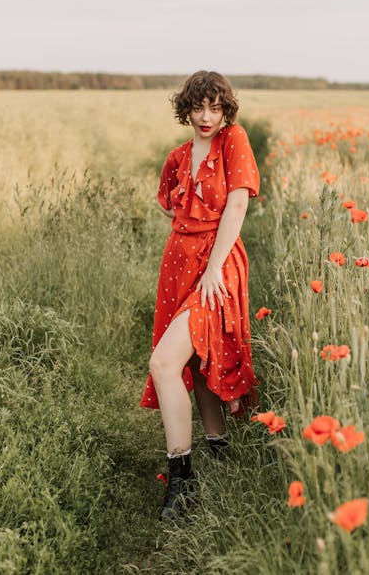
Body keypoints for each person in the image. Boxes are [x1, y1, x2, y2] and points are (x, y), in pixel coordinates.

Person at [140, 70, 260, 520]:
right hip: (178, 265)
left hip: (218, 266)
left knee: (163, 362)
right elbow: (167, 201)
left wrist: (212, 268)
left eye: (215, 107)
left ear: (225, 108)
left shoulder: (234, 141)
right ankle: (220, 449)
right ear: (185, 108)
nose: (206, 116)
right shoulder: (177, 156)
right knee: (191, 357)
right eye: (198, 107)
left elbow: (238, 203)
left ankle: (182, 481)